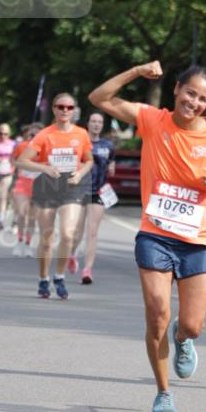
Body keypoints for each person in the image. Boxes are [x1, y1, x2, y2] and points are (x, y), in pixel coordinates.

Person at [88, 61, 206, 412]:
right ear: (177, 89)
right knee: (157, 314)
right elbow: (99, 97)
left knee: (192, 323)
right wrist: (135, 71)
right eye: (190, 93)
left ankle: (183, 338)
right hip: (156, 235)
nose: (194, 102)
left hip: (199, 238)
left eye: (202, 99)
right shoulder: (153, 119)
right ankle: (163, 392)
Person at [15, 94, 93, 299]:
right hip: (47, 187)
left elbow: (88, 161)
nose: (65, 110)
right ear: (55, 109)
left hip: (71, 187)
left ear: (74, 110)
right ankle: (43, 278)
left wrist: (80, 173)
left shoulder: (81, 134)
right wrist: (44, 168)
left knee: (68, 234)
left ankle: (59, 276)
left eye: (69, 107)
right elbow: (22, 161)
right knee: (47, 238)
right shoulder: (45, 134)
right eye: (61, 106)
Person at [67, 111, 117, 284]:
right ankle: (72, 254)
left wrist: (111, 168)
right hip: (80, 191)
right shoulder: (80, 143)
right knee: (77, 231)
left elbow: (112, 163)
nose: (96, 124)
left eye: (100, 122)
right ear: (87, 123)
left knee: (92, 232)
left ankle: (87, 270)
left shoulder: (108, 145)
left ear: (102, 125)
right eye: (93, 121)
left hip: (99, 191)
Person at [11, 123, 43, 257]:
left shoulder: (45, 148)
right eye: (31, 135)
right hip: (23, 183)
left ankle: (28, 244)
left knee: (32, 217)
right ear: (27, 135)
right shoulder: (22, 146)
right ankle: (19, 242)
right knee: (22, 213)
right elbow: (12, 160)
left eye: (36, 136)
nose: (33, 138)